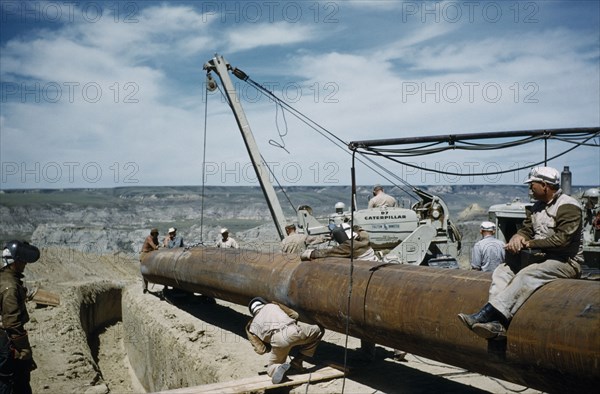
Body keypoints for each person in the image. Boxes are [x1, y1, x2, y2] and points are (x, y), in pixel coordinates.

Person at [457, 166, 583, 340]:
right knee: (503, 270)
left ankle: (485, 315)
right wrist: (518, 237)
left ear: (545, 185)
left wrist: (528, 243)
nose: (530, 188)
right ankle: (496, 324)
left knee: (527, 274)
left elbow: (562, 240)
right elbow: (527, 229)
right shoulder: (537, 207)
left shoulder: (568, 206)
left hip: (564, 262)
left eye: (533, 184)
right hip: (540, 259)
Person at [245, 297, 323, 384]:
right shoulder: (273, 305)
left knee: (271, 367)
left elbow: (261, 350)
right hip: (294, 330)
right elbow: (295, 315)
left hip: (278, 340)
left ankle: (277, 368)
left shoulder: (251, 326)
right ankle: (298, 360)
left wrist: (268, 345)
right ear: (262, 303)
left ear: (253, 312)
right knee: (318, 331)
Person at [1, 240, 40, 394]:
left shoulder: (5, 279)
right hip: (7, 341)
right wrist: (23, 349)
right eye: (22, 261)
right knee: (13, 381)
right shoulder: (10, 286)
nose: (25, 264)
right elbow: (11, 322)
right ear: (14, 261)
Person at [301, 223, 378, 262]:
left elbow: (330, 252)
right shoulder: (363, 237)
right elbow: (359, 229)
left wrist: (310, 253)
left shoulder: (349, 246)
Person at [140, 228, 160, 294]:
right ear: (153, 234)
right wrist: (157, 246)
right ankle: (145, 288)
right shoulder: (149, 238)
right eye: (156, 234)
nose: (157, 235)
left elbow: (157, 245)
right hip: (144, 254)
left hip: (150, 254)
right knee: (144, 271)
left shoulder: (155, 239)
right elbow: (155, 247)